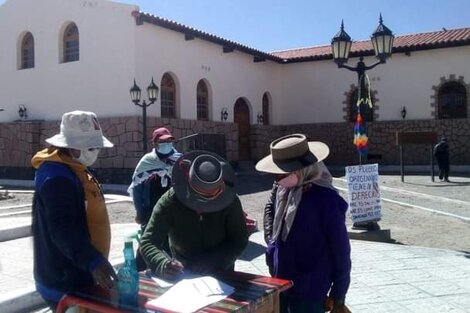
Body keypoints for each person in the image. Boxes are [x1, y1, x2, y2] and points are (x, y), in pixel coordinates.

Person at [31, 111, 117, 311]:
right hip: (63, 278)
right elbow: (62, 228)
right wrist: (93, 261)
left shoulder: (73, 167)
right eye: (91, 147)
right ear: (70, 146)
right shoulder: (56, 178)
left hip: (78, 270)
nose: (95, 151)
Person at [256, 134, 351, 313]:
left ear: (302, 169)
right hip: (281, 285)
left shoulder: (326, 200)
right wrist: (271, 247)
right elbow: (272, 213)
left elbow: (341, 250)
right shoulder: (283, 190)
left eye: (281, 174)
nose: (277, 179)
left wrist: (339, 294)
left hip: (310, 293)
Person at [140, 150, 249, 280]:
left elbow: (239, 240)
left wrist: (215, 260)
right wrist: (162, 263)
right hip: (182, 276)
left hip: (222, 274)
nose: (202, 208)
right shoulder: (170, 201)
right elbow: (148, 242)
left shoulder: (231, 202)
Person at [128, 127, 182, 270]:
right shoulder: (147, 161)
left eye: (169, 140)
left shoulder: (180, 161)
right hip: (150, 210)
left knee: (172, 245)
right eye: (163, 141)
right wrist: (140, 211)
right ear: (155, 143)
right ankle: (138, 272)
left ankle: (170, 271)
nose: (167, 144)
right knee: (148, 243)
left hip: (174, 211)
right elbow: (137, 188)